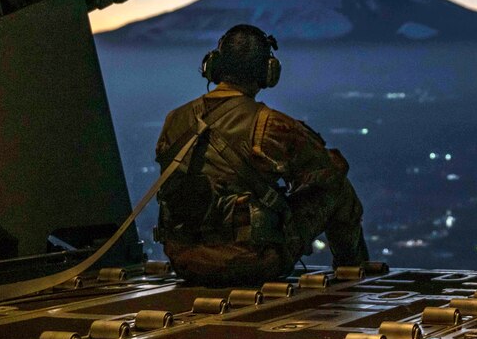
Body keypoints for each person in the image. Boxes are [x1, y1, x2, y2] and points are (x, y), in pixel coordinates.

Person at [155, 24, 369, 285]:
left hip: (185, 261)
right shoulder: (270, 124)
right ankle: (354, 273)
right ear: (268, 72)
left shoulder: (174, 119)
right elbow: (331, 169)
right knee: (337, 188)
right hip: (252, 261)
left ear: (213, 66)